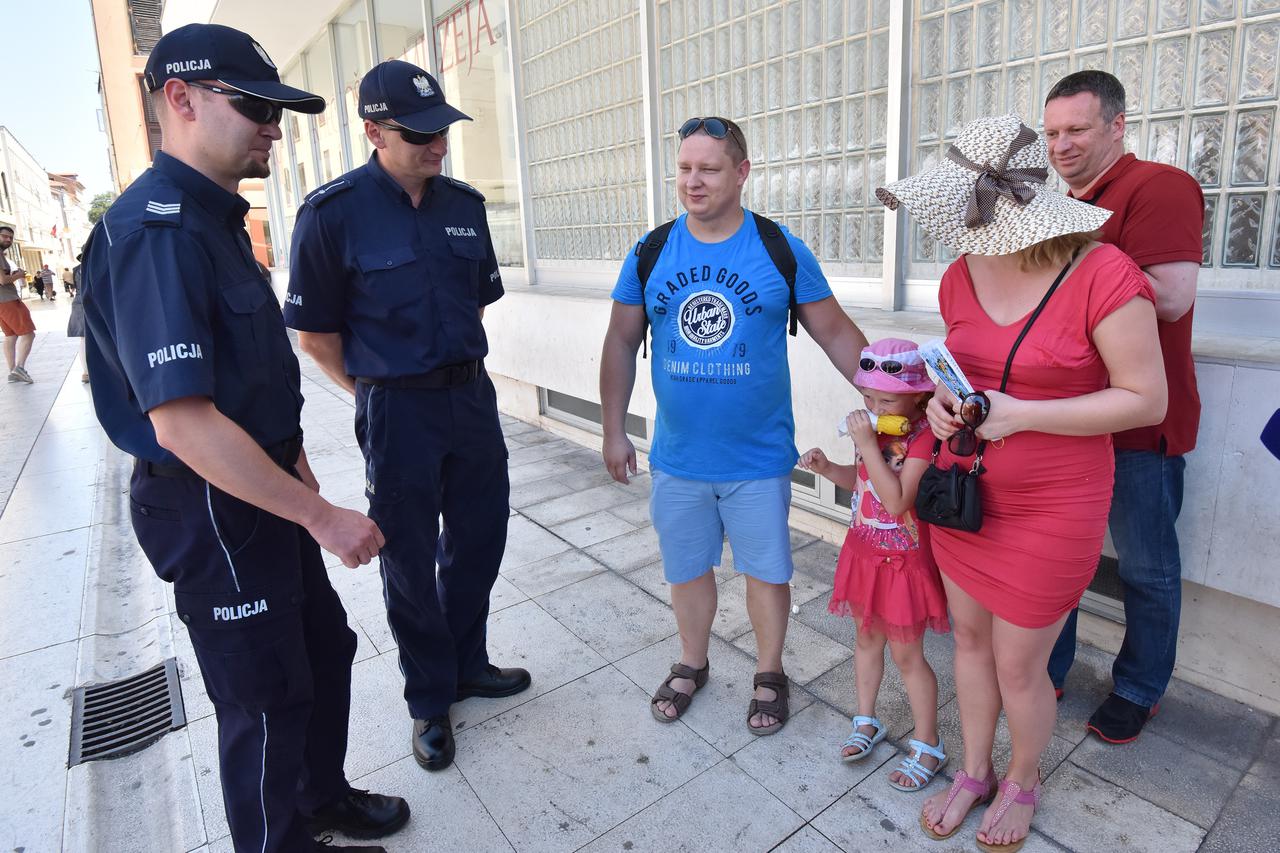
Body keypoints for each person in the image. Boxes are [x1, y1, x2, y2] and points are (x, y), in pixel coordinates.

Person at [80, 24, 408, 853]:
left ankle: (320, 799)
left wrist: (309, 500)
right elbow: (184, 423)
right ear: (180, 100)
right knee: (264, 699)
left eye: (279, 111)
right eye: (258, 107)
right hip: (210, 505)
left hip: (262, 491)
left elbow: (258, 390)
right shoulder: (156, 234)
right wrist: (325, 518)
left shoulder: (217, 220)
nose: (275, 126)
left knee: (322, 651)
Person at [875, 115, 1167, 851]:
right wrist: (943, 405)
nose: (958, 228)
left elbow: (1145, 398)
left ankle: (1024, 777)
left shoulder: (1103, 273)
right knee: (968, 640)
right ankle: (973, 769)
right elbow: (970, 374)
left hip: (1054, 503)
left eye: (969, 212)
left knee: (1019, 661)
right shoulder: (956, 274)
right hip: (965, 491)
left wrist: (1026, 415)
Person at [284, 59, 530, 774]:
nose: (437, 144)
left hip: (470, 397)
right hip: (396, 406)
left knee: (481, 537)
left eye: (441, 130)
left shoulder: (464, 205)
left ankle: (466, 661)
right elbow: (316, 338)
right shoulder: (331, 215)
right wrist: (374, 395)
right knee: (409, 555)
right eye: (419, 134)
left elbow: (474, 300)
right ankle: (429, 696)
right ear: (374, 132)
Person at [600, 116, 869, 735]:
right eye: (685, 168)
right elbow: (619, 341)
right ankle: (692, 662)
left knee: (767, 572)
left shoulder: (778, 248)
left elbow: (836, 334)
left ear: (742, 173)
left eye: (709, 169)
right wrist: (614, 430)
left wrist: (899, 399)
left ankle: (770, 672)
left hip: (756, 458)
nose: (693, 182)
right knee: (686, 569)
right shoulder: (651, 251)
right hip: (678, 457)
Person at [1042, 70, 1205, 744]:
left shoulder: (1158, 187)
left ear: (1117, 124)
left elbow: (1170, 297)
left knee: (1145, 566)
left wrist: (1074, 254)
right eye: (1051, 132)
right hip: (1066, 416)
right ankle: (1045, 667)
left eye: (1076, 129)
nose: (1061, 144)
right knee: (1054, 557)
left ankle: (1139, 686)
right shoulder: (1056, 204)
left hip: (1141, 421)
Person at [799, 338, 950, 790]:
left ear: (920, 396)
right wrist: (829, 469)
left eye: (886, 399)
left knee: (907, 653)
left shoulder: (925, 438)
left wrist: (866, 441)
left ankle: (929, 743)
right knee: (865, 639)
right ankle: (865, 720)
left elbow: (898, 496)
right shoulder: (877, 434)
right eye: (868, 396)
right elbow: (863, 482)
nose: (873, 405)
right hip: (863, 553)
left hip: (903, 561)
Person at [0, 225, 35, 383]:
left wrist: (12, 275)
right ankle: (19, 368)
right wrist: (19, 275)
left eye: (10, 237)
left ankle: (12, 371)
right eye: (4, 236)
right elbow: (2, 280)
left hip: (3, 301)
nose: (8, 239)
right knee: (28, 333)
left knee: (11, 336)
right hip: (7, 300)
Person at [66, 258, 87, 382]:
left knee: (83, 339)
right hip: (92, 302)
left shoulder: (76, 270)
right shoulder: (97, 264)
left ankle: (86, 372)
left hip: (78, 302)